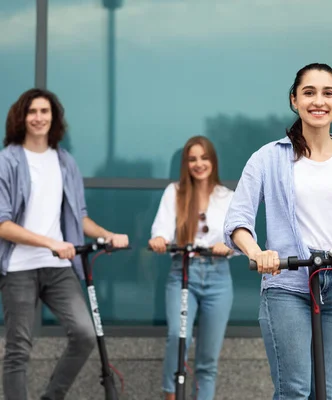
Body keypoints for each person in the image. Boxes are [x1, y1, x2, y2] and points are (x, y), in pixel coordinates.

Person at [223, 62, 332, 400]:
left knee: (323, 393)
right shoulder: (268, 158)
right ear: (294, 101)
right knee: (295, 391)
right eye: (309, 92)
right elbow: (237, 220)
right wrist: (258, 254)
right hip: (288, 284)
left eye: (328, 93)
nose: (319, 101)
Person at [0, 88, 129, 400]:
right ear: (21, 117)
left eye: (45, 111)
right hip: (20, 268)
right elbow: (2, 223)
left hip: (58, 268)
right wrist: (49, 243)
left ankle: (51, 397)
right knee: (18, 347)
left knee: (85, 334)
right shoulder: (8, 161)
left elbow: (78, 215)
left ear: (54, 118)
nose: (39, 118)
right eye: (32, 112)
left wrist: (106, 235)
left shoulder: (64, 162)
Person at [149, 136, 235, 400]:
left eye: (204, 158)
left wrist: (228, 246)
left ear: (213, 161)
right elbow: (160, 231)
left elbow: (241, 237)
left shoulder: (228, 196)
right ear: (185, 164)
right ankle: (171, 395)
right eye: (192, 159)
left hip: (218, 276)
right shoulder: (174, 192)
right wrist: (160, 240)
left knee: (207, 359)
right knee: (178, 336)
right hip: (183, 272)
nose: (199, 164)